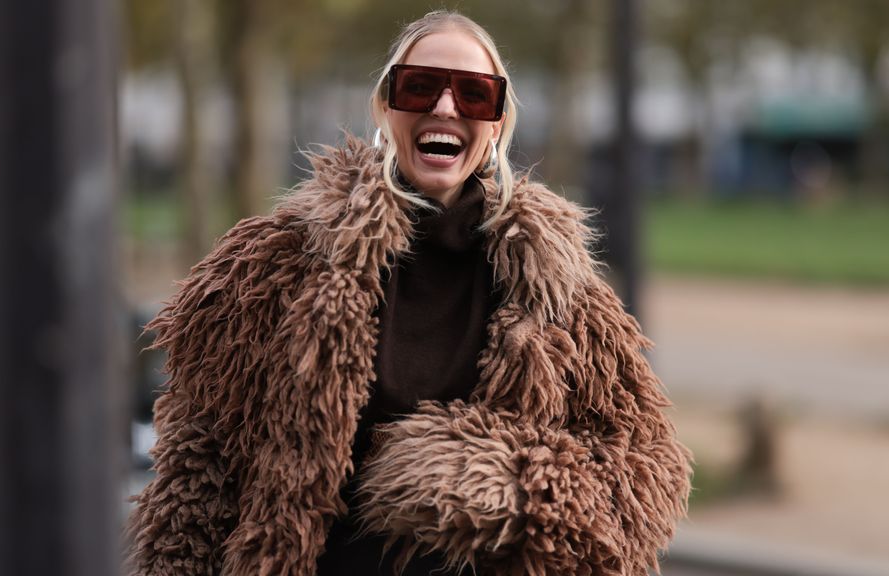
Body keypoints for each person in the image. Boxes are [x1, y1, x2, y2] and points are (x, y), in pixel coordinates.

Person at [126, 9, 692, 576]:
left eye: (474, 94)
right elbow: (196, 476)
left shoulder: (559, 293)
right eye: (419, 86)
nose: (444, 107)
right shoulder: (273, 267)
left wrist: (492, 481)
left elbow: (645, 472)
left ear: (497, 124)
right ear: (385, 107)